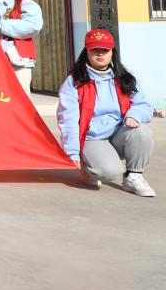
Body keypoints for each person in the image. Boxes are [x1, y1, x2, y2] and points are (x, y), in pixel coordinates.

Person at [56, 30, 156, 196]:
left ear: (112, 52)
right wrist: (72, 153)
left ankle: (134, 177)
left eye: (105, 50)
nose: (100, 54)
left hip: (118, 134)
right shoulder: (74, 81)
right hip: (92, 138)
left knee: (142, 131)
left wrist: (134, 114)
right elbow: (68, 119)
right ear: (87, 52)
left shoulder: (125, 79)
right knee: (108, 172)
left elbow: (144, 105)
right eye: (95, 50)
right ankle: (89, 167)